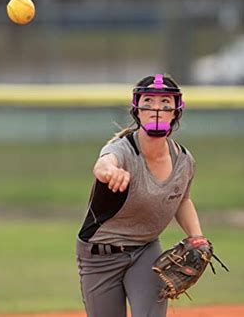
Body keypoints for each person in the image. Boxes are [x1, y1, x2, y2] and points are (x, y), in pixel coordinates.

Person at [76, 74, 205, 317]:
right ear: (137, 110)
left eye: (166, 103)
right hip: (99, 254)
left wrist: (197, 237)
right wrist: (111, 172)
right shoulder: (122, 149)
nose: (157, 109)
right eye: (148, 101)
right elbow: (103, 165)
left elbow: (183, 199)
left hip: (146, 250)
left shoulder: (185, 161)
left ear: (176, 111)